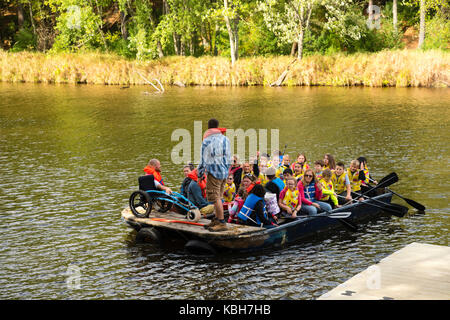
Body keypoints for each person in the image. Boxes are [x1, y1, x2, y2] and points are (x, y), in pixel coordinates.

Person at [198, 118, 231, 232]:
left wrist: (200, 173)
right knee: (219, 196)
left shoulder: (206, 141)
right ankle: (217, 219)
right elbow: (228, 157)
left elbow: (203, 160)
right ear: (217, 126)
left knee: (214, 197)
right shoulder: (225, 139)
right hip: (224, 172)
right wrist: (226, 170)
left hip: (214, 172)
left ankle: (221, 222)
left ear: (208, 127)